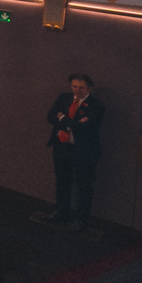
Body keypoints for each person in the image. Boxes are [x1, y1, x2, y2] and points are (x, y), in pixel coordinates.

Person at [44, 74, 104, 231]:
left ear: (90, 88)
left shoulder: (96, 106)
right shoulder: (64, 98)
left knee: (83, 186)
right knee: (62, 181)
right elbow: (50, 116)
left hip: (83, 152)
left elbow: (83, 127)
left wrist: (62, 117)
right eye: (74, 86)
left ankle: (80, 219)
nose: (77, 90)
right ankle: (61, 211)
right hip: (62, 147)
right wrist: (71, 122)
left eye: (81, 87)